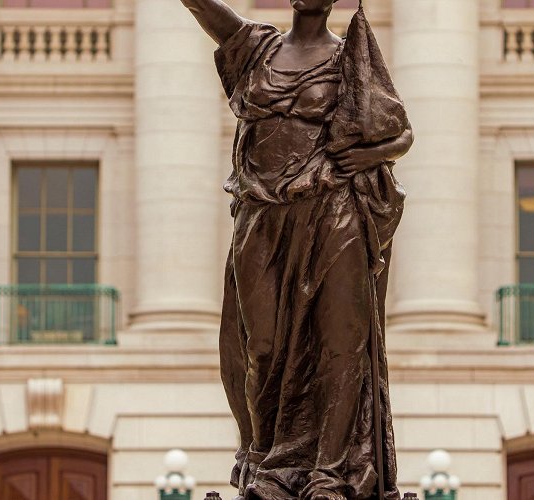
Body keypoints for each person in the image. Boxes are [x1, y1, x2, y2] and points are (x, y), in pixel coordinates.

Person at [178, 0, 414, 498]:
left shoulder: (350, 56)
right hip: (262, 215)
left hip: (332, 210)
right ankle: (271, 463)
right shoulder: (257, 49)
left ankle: (331, 473)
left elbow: (401, 132)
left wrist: (371, 154)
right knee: (259, 343)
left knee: (341, 341)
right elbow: (208, 13)